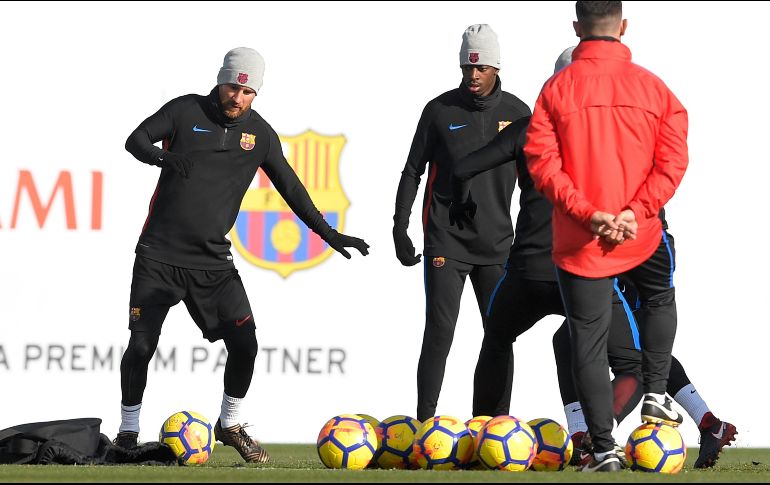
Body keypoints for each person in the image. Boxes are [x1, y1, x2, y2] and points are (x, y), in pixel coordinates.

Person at [115, 47, 370, 463]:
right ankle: (127, 432)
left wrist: (329, 234)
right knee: (141, 345)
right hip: (158, 255)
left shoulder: (260, 135)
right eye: (233, 87)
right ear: (221, 81)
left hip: (212, 263)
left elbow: (291, 188)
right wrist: (165, 157)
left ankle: (230, 423)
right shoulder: (184, 110)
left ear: (257, 93)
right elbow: (136, 140)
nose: (238, 97)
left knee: (246, 344)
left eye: (248, 91)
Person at [525, 1, 690, 472]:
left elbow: (541, 163)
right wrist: (636, 211)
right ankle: (655, 392)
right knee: (658, 297)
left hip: (582, 241)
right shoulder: (654, 88)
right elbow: (674, 160)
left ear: (577, 27)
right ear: (623, 26)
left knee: (589, 341)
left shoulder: (555, 90)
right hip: (642, 233)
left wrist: (590, 214)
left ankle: (603, 450)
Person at [392, 24, 530, 421]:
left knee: (500, 336)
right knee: (439, 332)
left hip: (498, 246)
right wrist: (400, 226)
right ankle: (424, 424)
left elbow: (537, 184)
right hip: (446, 240)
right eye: (467, 67)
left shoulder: (519, 114)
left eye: (481, 67)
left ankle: (495, 426)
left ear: (496, 68)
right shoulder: (439, 110)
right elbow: (412, 171)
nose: (473, 75)